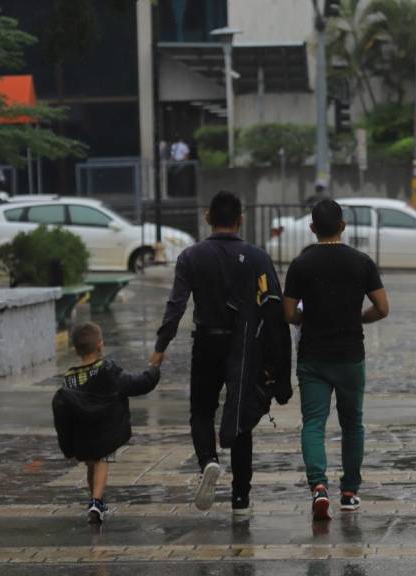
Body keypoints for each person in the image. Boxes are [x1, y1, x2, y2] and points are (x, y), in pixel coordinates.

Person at [150, 191, 292, 515]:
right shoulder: (256, 256)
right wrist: (279, 364)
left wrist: (160, 347)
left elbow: (176, 305)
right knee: (241, 415)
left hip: (206, 342)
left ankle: (209, 462)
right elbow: (273, 310)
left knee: (201, 410)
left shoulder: (190, 257)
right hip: (245, 348)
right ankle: (240, 496)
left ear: (207, 217)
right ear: (240, 220)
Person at [283, 200, 389, 521]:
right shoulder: (362, 262)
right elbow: (383, 308)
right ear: (343, 226)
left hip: (313, 357)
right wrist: (358, 319)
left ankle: (318, 487)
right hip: (350, 357)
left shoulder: (301, 264)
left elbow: (289, 313)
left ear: (313, 228)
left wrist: (308, 316)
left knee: (313, 424)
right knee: (352, 424)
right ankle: (350, 493)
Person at [52, 322, 160, 524]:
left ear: (75, 349)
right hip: (104, 430)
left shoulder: (68, 379)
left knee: (91, 464)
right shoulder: (107, 370)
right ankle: (96, 501)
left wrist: (68, 445)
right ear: (100, 345)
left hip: (82, 435)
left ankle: (94, 497)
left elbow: (63, 412)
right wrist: (153, 370)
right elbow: (136, 384)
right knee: (102, 460)